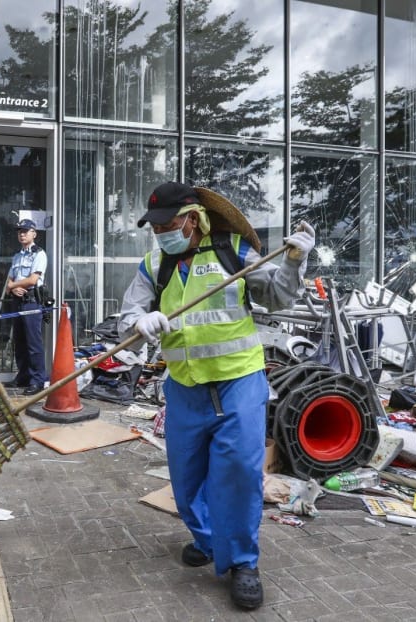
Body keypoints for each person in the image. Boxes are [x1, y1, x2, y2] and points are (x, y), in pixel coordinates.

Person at [117, 182, 315, 610]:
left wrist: (294, 261)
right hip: (185, 386)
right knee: (187, 481)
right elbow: (127, 320)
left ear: (193, 219)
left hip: (238, 382)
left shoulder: (235, 253)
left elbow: (277, 296)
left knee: (238, 475)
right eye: (155, 227)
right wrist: (140, 324)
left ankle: (243, 563)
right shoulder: (155, 265)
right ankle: (208, 542)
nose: (161, 233)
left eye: (168, 224)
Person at [4, 219, 48, 395]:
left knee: (33, 343)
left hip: (31, 301)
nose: (22, 234)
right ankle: (23, 376)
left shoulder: (39, 254)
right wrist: (13, 289)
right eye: (19, 231)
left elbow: (32, 280)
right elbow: (8, 282)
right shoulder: (17, 256)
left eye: (25, 231)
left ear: (34, 233)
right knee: (19, 341)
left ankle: (37, 380)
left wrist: (14, 286)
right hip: (17, 301)